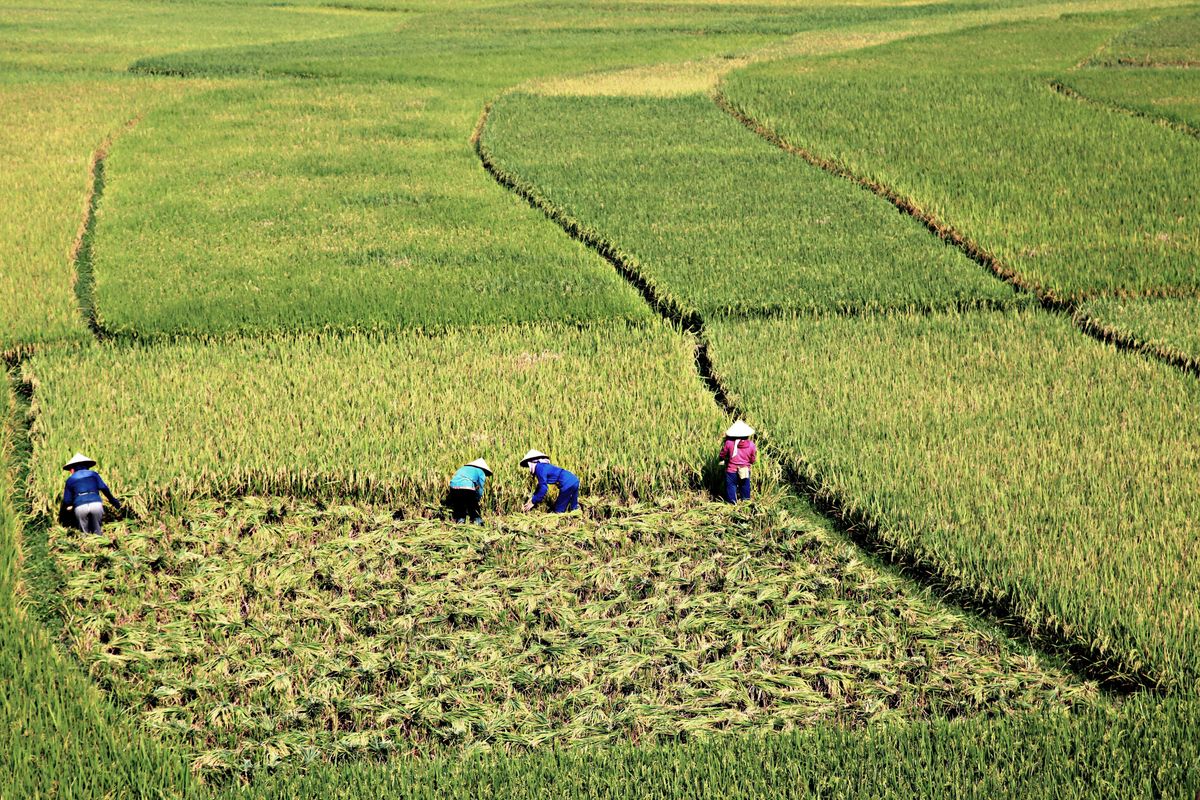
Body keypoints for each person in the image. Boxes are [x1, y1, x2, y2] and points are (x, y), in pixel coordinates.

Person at [60, 452, 122, 534]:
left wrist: (68, 509)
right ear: (87, 465)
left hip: (80, 506)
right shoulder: (93, 474)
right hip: (96, 504)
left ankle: (87, 544)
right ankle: (99, 543)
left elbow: (67, 501)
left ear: (72, 469)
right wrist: (113, 501)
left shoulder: (70, 480)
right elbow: (104, 488)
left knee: (84, 533)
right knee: (97, 531)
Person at [718, 421, 757, 503]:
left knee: (731, 486)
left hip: (731, 470)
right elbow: (753, 458)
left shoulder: (729, 443)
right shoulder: (751, 444)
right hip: (745, 469)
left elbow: (723, 454)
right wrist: (751, 462)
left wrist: (721, 459)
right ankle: (746, 504)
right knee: (745, 485)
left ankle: (732, 504)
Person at [448, 458, 492, 524]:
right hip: (466, 486)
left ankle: (460, 521)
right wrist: (477, 498)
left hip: (453, 486)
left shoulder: (463, 468)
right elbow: (480, 487)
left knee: (459, 505)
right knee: (473, 505)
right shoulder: (481, 471)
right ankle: (478, 521)